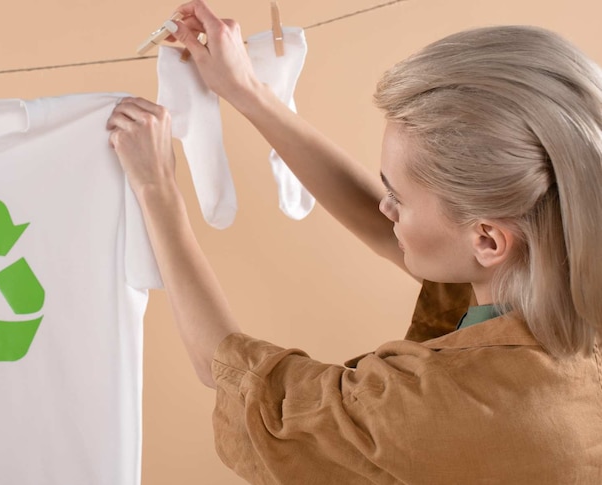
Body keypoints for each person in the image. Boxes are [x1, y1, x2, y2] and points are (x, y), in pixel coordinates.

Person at [106, 0, 602, 483]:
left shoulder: (435, 405)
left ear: (489, 239)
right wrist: (247, 90)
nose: (385, 210)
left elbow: (241, 382)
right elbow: (386, 225)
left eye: (399, 200)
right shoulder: (559, 265)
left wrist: (157, 189)